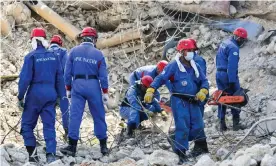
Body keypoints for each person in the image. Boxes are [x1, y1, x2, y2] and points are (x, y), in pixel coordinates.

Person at [144, 39, 209, 164]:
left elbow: (204, 81)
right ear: (182, 51)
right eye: (189, 50)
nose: (191, 53)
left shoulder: (195, 65)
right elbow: (161, 78)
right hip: (180, 102)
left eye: (193, 51)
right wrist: (151, 89)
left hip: (194, 101)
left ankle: (201, 147)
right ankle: (181, 152)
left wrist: (203, 91)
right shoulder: (174, 65)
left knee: (198, 125)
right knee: (182, 126)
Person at [61, 27, 109, 157]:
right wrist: (105, 92)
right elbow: (103, 76)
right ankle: (103, 146)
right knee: (98, 115)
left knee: (75, 115)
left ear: (82, 37)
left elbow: (67, 73)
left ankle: (72, 147)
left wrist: (68, 89)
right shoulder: (98, 54)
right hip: (93, 85)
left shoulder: (73, 51)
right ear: (94, 39)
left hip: (78, 85)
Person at [18, 28, 63, 164]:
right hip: (50, 93)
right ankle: (51, 155)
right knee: (49, 126)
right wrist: (60, 96)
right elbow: (60, 78)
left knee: (27, 125)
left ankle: (33, 156)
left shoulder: (31, 57)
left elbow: (24, 79)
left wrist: (20, 96)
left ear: (33, 40)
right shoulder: (54, 56)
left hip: (34, 94)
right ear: (44, 40)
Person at [216, 27, 248, 132]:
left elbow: (217, 58)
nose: (243, 42)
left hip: (219, 73)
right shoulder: (233, 48)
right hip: (227, 75)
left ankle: (222, 124)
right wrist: (232, 81)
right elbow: (232, 66)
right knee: (236, 97)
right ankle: (236, 124)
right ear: (239, 38)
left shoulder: (225, 43)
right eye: (243, 40)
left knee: (222, 98)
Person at [48, 35, 69, 137]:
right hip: (61, 83)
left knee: (50, 108)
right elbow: (67, 68)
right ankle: (67, 132)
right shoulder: (63, 51)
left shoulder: (46, 52)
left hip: (49, 83)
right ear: (60, 43)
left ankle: (50, 134)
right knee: (65, 108)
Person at [189, 38, 207, 117]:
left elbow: (201, 78)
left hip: (197, 91)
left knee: (198, 116)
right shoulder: (184, 61)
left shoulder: (198, 60)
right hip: (189, 93)